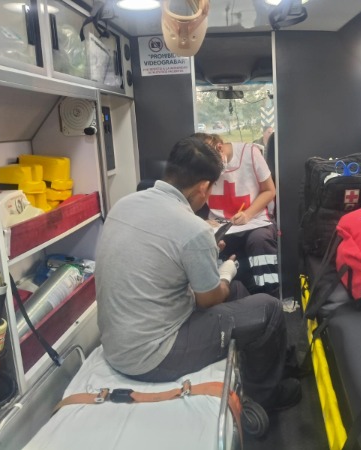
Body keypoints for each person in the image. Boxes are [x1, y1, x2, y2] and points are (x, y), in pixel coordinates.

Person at [95, 137, 301, 412]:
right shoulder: (193, 228)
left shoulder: (124, 205)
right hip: (153, 356)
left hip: (117, 343)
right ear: (203, 187)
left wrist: (205, 256)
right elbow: (209, 299)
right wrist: (225, 272)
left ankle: (278, 362)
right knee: (270, 308)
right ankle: (266, 398)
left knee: (239, 292)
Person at [193, 132, 279, 296]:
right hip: (220, 223)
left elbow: (269, 190)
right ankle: (227, 296)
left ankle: (269, 296)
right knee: (211, 243)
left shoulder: (250, 153)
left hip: (255, 219)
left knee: (259, 241)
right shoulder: (199, 165)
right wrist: (200, 222)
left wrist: (247, 214)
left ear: (220, 148)